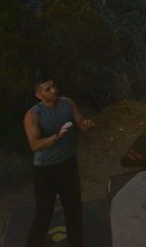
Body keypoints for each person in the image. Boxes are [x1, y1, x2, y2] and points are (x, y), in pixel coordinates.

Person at [23, 76, 95, 247]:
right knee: (44, 213)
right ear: (38, 95)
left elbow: (81, 123)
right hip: (45, 170)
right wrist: (57, 136)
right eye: (47, 89)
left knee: (74, 209)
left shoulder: (68, 103)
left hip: (68, 164)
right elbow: (34, 145)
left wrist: (87, 125)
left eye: (54, 86)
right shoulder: (33, 115)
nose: (53, 91)